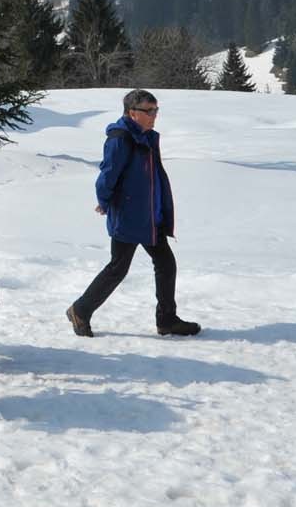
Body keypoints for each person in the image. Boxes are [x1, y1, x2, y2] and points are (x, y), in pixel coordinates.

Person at [66, 89, 200, 338]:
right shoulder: (121, 138)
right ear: (132, 112)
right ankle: (80, 310)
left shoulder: (146, 137)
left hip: (150, 216)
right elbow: (107, 174)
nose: (154, 116)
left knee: (165, 263)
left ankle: (167, 320)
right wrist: (103, 200)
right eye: (149, 111)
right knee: (118, 268)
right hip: (129, 215)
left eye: (156, 110)